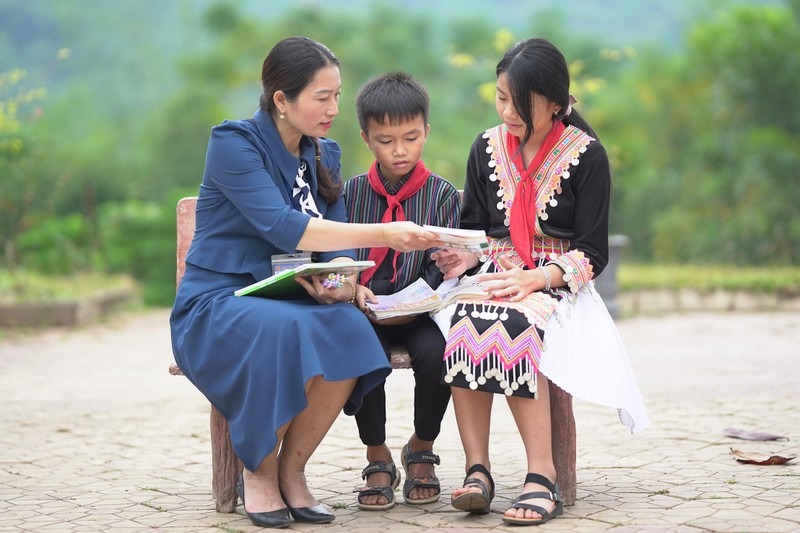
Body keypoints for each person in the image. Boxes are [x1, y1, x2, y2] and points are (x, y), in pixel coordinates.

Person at [169, 37, 441, 529]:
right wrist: (383, 233)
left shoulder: (324, 154)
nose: (333, 108)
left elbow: (332, 246)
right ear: (281, 99)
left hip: (292, 295)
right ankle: (258, 470)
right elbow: (282, 226)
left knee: (350, 326)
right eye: (322, 97)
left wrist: (342, 280)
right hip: (220, 302)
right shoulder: (234, 143)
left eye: (337, 95)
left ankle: (293, 472)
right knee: (282, 330)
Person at [431, 38, 650, 526]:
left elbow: (594, 253)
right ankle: (478, 471)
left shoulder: (587, 156)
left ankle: (541, 476)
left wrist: (537, 278)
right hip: (498, 273)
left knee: (508, 322)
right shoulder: (486, 147)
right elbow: (479, 231)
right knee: (469, 317)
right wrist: (461, 256)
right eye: (500, 97)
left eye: (519, 102)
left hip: (560, 282)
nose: (506, 111)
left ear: (555, 101)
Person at [343, 72, 460, 510]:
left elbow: (448, 262)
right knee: (357, 350)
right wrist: (356, 289)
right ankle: (377, 452)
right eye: (385, 140)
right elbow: (339, 254)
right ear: (366, 139)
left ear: (426, 132)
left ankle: (421, 444)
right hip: (366, 310)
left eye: (411, 138)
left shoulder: (443, 196)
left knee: (440, 353)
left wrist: (418, 297)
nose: (399, 150)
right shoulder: (350, 195)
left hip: (421, 312)